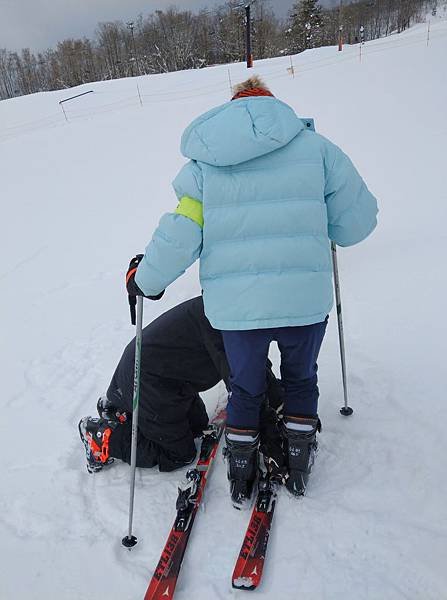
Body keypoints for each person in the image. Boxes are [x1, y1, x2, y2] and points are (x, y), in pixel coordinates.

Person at [125, 75, 378, 505]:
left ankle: (241, 468)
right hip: (304, 303)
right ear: (272, 104)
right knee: (301, 379)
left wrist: (146, 279)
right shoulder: (318, 150)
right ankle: (299, 459)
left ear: (233, 105)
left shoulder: (206, 164)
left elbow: (182, 231)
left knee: (245, 388)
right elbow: (357, 223)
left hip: (236, 311)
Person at [78, 296, 283, 474]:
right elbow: (242, 385)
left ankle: (124, 412)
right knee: (179, 454)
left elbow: (253, 364)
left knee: (198, 426)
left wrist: (280, 400)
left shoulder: (228, 311)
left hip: (171, 381)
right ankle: (105, 437)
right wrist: (270, 433)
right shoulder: (220, 324)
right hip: (146, 383)